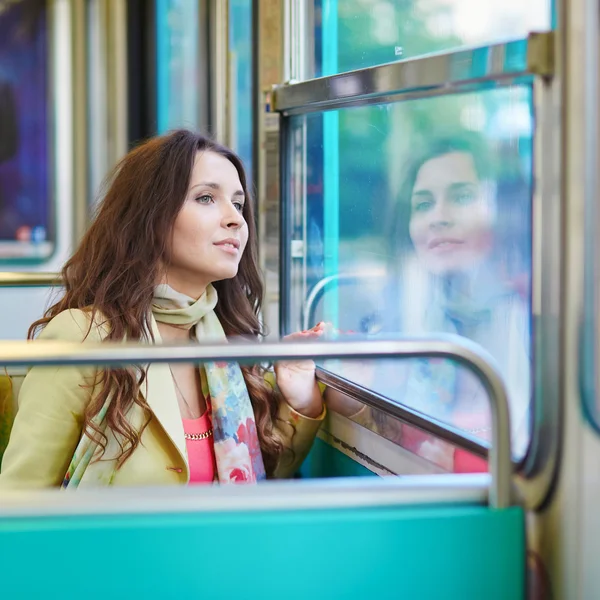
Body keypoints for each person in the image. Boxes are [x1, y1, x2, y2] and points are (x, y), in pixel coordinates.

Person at [0, 130, 326, 488]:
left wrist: (300, 401)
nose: (235, 219)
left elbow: (252, 474)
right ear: (150, 217)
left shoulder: (228, 343)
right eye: (205, 198)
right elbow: (22, 497)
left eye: (237, 203)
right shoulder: (82, 337)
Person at [330, 130, 531, 467]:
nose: (439, 216)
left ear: (499, 210)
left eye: (462, 196)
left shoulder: (533, 321)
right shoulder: (401, 321)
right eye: (423, 203)